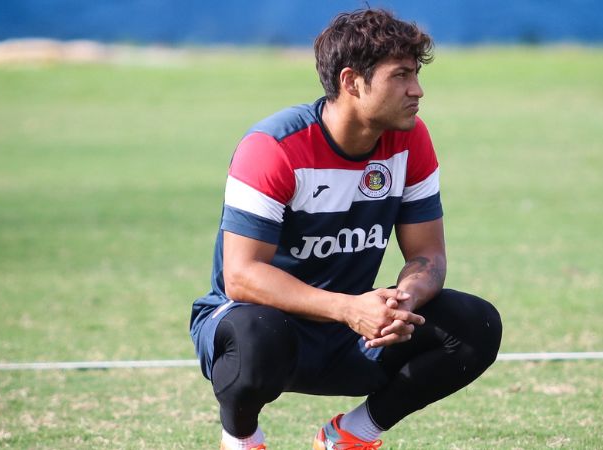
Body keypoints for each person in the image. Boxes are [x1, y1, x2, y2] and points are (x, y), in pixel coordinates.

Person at [190, 8, 502, 450]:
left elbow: (427, 255)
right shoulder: (272, 148)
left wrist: (401, 302)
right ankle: (242, 439)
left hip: (350, 329)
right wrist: (347, 309)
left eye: (415, 74)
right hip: (262, 326)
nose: (417, 90)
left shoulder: (410, 140)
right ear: (352, 81)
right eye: (401, 76)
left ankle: (353, 435)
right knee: (256, 333)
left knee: (475, 324)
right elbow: (241, 277)